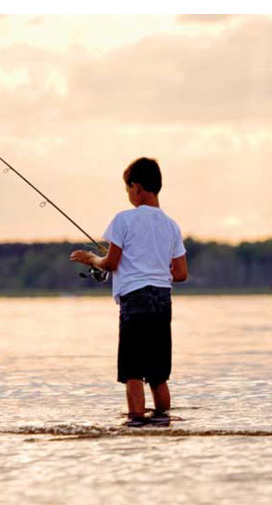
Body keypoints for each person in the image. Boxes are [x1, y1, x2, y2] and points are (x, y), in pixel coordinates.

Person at [70, 157, 188, 427]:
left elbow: (110, 263)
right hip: (162, 302)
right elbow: (181, 273)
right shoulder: (172, 225)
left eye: (128, 190)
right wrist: (157, 266)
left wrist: (91, 259)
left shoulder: (123, 220)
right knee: (158, 376)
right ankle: (162, 425)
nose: (129, 196)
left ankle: (136, 427)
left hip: (135, 301)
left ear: (137, 187)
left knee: (133, 373)